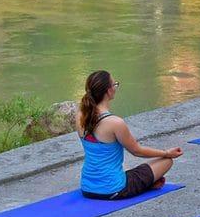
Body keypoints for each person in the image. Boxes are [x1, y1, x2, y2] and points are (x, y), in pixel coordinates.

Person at [78, 70, 182, 200]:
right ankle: (147, 184)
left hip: (87, 188)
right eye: (114, 84)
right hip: (114, 190)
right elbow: (137, 151)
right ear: (109, 91)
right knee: (166, 162)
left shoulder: (80, 117)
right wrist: (167, 153)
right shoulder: (115, 123)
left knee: (131, 172)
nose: (115, 87)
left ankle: (147, 183)